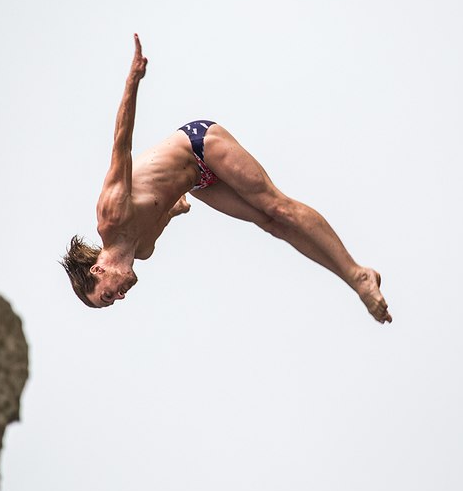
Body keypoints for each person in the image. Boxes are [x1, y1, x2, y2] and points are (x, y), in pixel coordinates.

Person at [61, 35, 392, 324]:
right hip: (198, 182)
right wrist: (174, 210)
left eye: (108, 296)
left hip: (199, 145)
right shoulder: (143, 249)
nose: (120, 298)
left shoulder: (111, 216)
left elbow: (122, 142)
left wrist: (133, 79)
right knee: (270, 224)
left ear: (98, 271)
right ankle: (353, 279)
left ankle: (357, 275)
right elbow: (156, 208)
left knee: (278, 207)